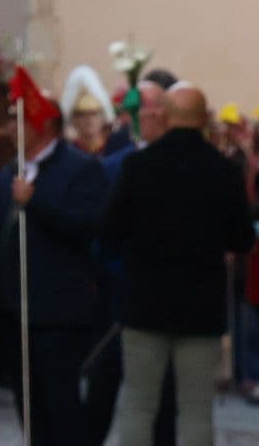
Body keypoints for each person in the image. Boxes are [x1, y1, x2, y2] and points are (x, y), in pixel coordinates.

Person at [103, 85, 254, 446]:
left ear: (165, 116)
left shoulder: (137, 166)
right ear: (204, 119)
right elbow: (243, 239)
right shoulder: (224, 170)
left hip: (144, 304)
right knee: (196, 410)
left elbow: (110, 231)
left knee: (139, 405)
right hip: (201, 307)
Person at [0, 92, 108, 445]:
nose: (10, 127)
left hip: (57, 313)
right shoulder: (11, 170)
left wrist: (36, 203)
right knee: (29, 406)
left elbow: (87, 226)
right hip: (15, 312)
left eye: (18, 119)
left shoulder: (81, 167)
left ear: (45, 124)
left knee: (61, 406)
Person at [88, 79, 176, 446]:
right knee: (103, 390)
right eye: (144, 109)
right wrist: (123, 278)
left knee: (163, 402)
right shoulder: (113, 167)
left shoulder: (181, 167)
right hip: (118, 298)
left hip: (166, 304)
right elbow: (100, 236)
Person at [62, 66, 114, 155]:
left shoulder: (114, 147)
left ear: (103, 117)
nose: (89, 119)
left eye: (93, 113)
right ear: (74, 119)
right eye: (82, 115)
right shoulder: (68, 152)